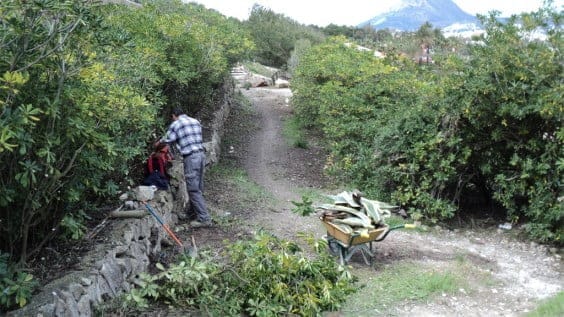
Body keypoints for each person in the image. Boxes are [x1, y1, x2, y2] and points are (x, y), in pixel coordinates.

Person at [157, 107, 212, 227]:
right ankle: (192, 213)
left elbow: (168, 139)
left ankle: (204, 218)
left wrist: (157, 143)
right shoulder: (195, 121)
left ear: (173, 116)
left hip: (191, 157)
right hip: (201, 155)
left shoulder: (176, 124)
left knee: (192, 189)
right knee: (198, 186)